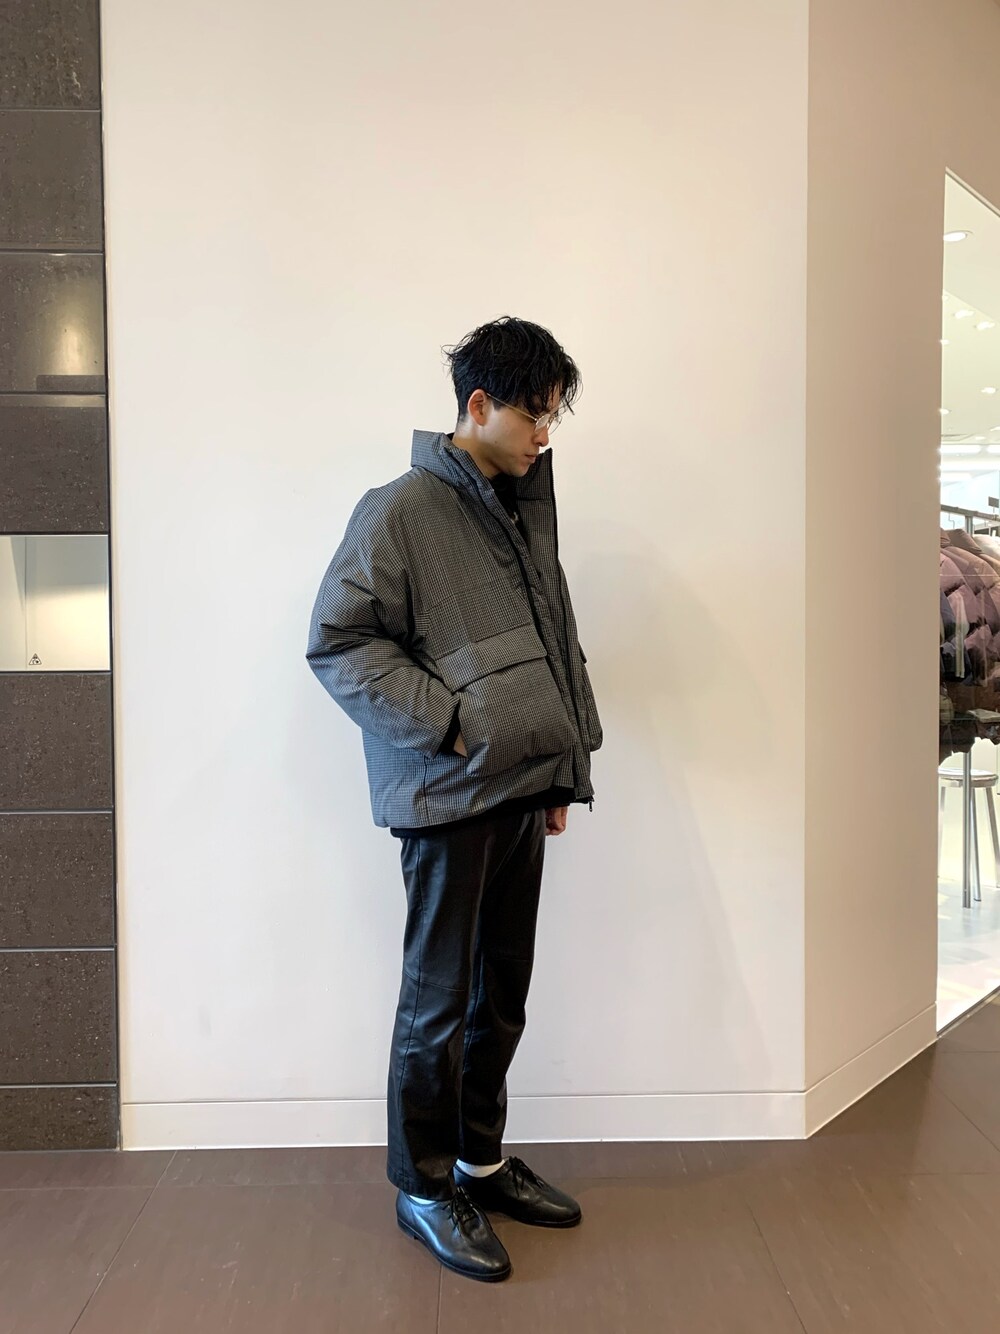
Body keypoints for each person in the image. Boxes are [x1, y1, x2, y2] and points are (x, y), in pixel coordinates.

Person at [306, 316, 603, 1283]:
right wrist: (449, 723)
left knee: (500, 994)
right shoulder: (398, 511)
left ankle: (479, 1162)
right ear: (477, 404)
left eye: (552, 417)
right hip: (447, 796)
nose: (544, 435)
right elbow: (338, 641)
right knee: (437, 1002)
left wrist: (561, 770)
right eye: (533, 414)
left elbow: (555, 639)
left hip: (521, 791)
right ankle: (424, 1188)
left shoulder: (520, 507)